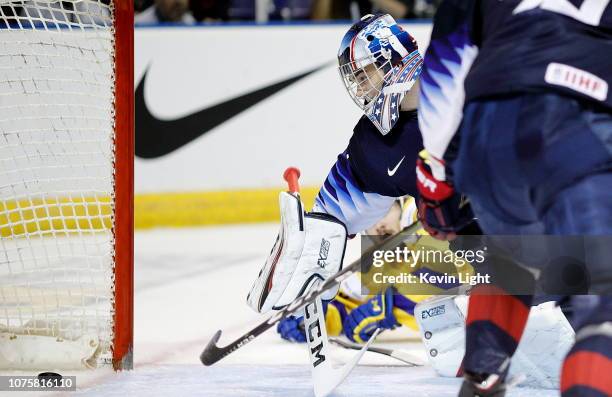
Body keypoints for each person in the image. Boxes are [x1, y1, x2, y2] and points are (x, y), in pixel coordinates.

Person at [416, 2, 612, 396]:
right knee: (603, 301)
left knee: (509, 261)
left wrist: (437, 172)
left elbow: (444, 67)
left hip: (484, 142)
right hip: (574, 131)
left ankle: (481, 377)